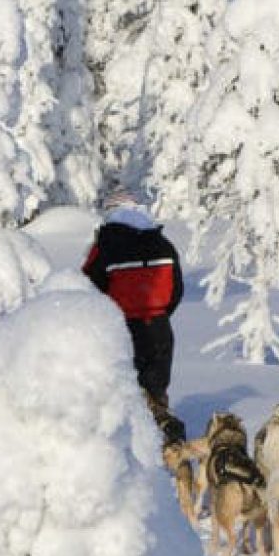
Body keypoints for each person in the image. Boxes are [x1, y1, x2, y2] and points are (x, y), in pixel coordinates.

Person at [82, 185, 187, 443]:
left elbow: (87, 289)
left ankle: (136, 451)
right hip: (160, 328)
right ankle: (167, 446)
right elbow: (177, 289)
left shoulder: (106, 246)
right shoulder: (163, 244)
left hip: (121, 329)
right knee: (156, 392)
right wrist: (159, 313)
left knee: (125, 396)